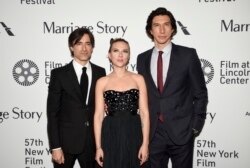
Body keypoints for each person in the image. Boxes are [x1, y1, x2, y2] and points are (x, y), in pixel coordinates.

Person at [136, 7, 208, 168]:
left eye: (166, 25)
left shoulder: (188, 55)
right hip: (153, 133)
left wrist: (196, 127)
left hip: (182, 132)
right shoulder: (142, 59)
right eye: (156, 25)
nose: (162, 30)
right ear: (150, 30)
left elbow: (201, 93)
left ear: (173, 28)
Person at [47, 27, 106, 168]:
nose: (84, 48)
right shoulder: (59, 74)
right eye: (79, 43)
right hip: (65, 143)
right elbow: (52, 113)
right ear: (71, 47)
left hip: (93, 143)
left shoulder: (101, 72)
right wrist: (55, 147)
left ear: (92, 48)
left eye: (88, 43)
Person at [94, 38, 150, 168]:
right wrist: (98, 147)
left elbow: (144, 113)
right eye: (116, 51)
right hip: (110, 133)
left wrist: (145, 144)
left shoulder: (138, 79)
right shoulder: (102, 82)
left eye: (125, 51)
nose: (120, 55)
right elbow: (98, 116)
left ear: (129, 56)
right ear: (109, 55)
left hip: (134, 132)